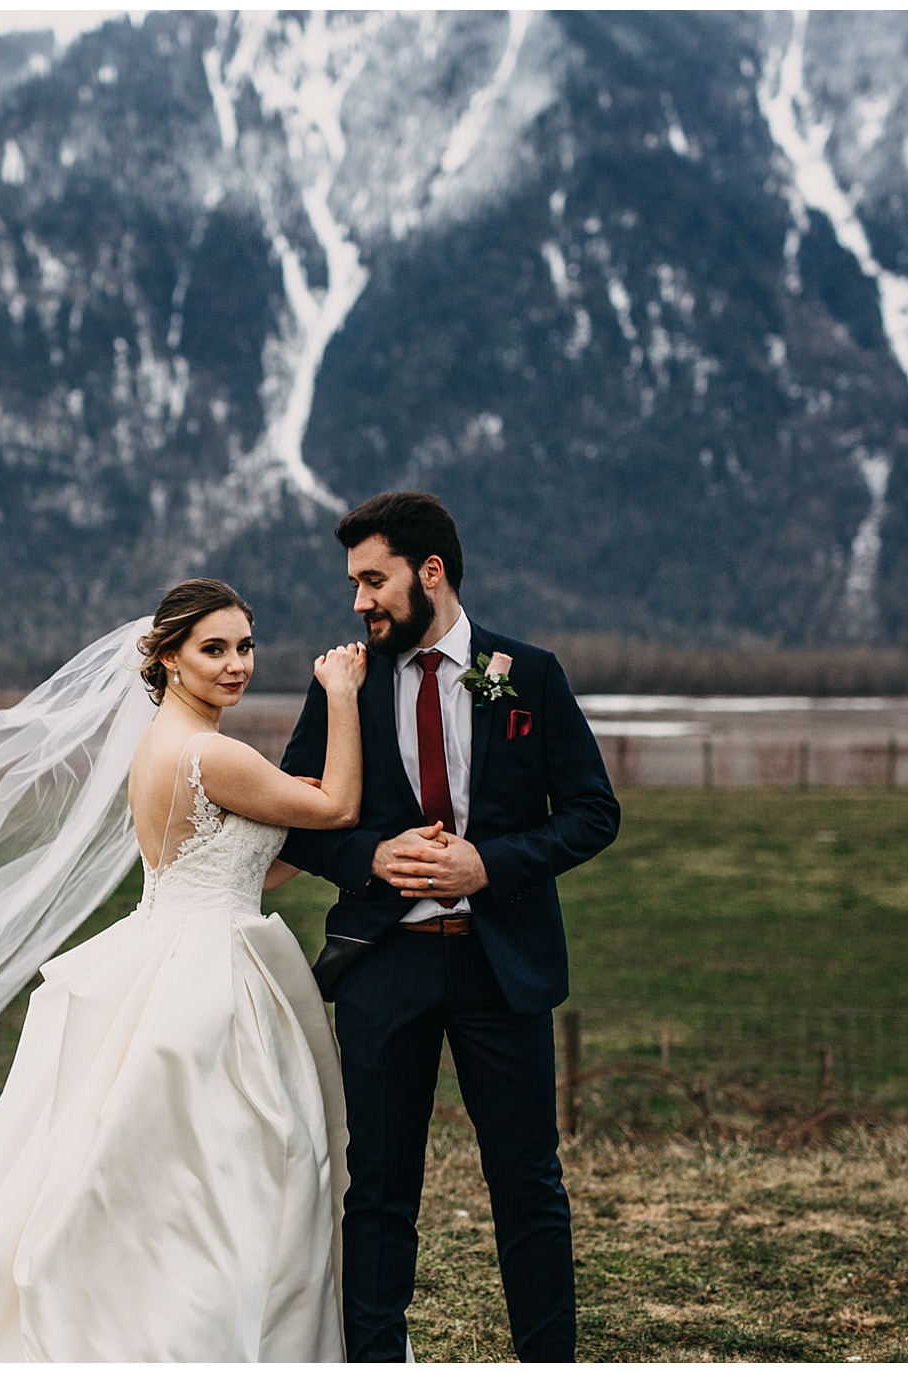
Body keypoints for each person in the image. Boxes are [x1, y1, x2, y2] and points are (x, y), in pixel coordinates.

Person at [0, 578, 369, 1361]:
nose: (235, 665)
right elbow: (337, 808)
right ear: (168, 658)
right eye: (213, 649)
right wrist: (344, 693)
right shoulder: (210, 753)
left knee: (165, 1173)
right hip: (209, 975)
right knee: (232, 1168)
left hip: (167, 945)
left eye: (244, 647)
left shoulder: (158, 746)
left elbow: (238, 863)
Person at [278, 490, 620, 1362]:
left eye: (373, 579)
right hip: (382, 966)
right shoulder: (344, 684)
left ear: (430, 572)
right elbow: (296, 822)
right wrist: (368, 859)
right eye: (354, 583)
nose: (359, 601)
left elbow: (592, 812)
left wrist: (489, 864)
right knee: (380, 1193)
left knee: (528, 1184)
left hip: (501, 967)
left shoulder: (529, 674)